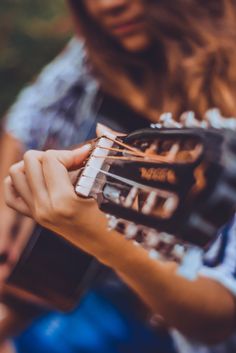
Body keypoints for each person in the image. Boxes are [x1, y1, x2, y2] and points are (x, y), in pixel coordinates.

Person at [3, 0, 236, 352]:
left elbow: (217, 318)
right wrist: (5, 219)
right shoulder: (91, 54)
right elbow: (28, 115)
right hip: (54, 287)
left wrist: (98, 234)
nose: (107, 6)